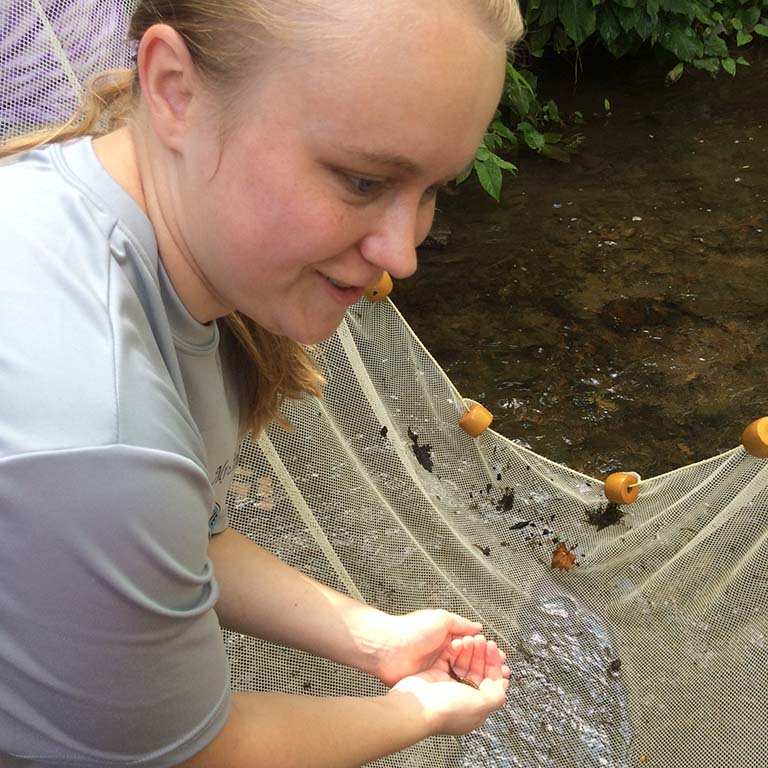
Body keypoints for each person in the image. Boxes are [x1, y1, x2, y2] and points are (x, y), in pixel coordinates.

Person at [0, 1, 523, 765]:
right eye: (361, 179)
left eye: (436, 187)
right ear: (174, 89)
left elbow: (185, 534)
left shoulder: (92, 210)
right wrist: (417, 711)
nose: (402, 251)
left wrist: (377, 639)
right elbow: (197, 757)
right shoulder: (97, 428)